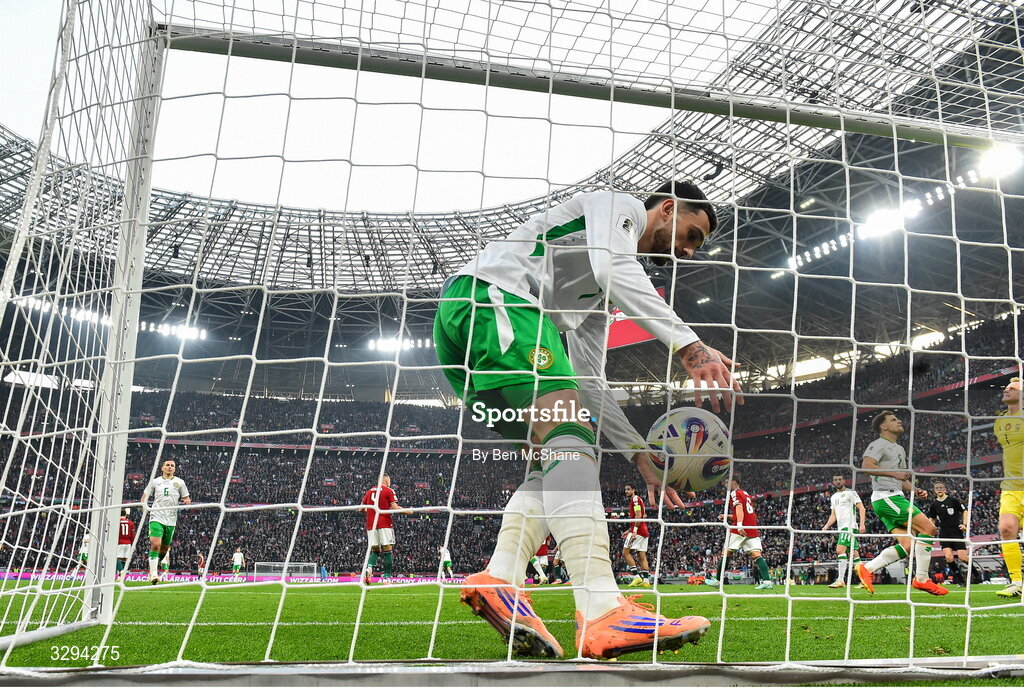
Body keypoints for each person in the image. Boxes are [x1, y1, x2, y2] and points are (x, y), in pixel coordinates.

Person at [434, 180, 739, 659]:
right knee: (572, 439)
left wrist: (637, 451)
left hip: (474, 326)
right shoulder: (617, 207)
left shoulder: (599, 294)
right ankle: (601, 608)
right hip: (498, 300)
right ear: (666, 208)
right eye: (692, 234)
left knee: (558, 455)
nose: (688, 250)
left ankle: (501, 577)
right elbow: (612, 263)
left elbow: (590, 381)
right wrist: (689, 345)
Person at [856, 411, 947, 596]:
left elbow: (899, 476)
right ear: (884, 426)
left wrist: (914, 489)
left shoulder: (898, 448)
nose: (899, 421)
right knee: (928, 529)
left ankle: (867, 569)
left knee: (907, 546)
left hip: (892, 497)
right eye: (893, 420)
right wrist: (894, 474)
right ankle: (921, 579)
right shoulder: (878, 444)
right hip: (887, 498)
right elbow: (866, 466)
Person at [707, 475, 773, 590]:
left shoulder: (734, 493)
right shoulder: (745, 493)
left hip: (740, 529)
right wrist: (727, 516)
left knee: (726, 553)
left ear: (734, 482)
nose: (725, 484)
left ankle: (717, 581)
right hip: (751, 527)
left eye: (727, 481)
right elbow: (743, 512)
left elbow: (739, 509)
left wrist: (739, 525)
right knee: (756, 555)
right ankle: (767, 581)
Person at [994, 377, 1023, 598]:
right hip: (1011, 486)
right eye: (1006, 387)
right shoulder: (1000, 420)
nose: (1007, 389)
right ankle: (1017, 582)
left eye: (1012, 388)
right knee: (1006, 528)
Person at [141, 459, 191, 586]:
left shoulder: (180, 482)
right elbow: (145, 496)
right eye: (167, 465)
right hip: (156, 516)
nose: (169, 467)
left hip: (171, 519)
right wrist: (145, 507)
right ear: (162, 468)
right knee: (155, 544)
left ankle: (153, 567)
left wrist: (186, 501)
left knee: (163, 549)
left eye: (172, 466)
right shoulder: (155, 482)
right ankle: (153, 574)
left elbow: (187, 499)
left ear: (174, 469)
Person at [360, 474, 412, 584]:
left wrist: (371, 513)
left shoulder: (369, 491)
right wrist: (409, 511)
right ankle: (387, 578)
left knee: (375, 551)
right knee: (387, 551)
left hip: (371, 525)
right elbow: (395, 508)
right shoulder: (388, 491)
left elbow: (361, 509)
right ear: (387, 481)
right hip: (384, 523)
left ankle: (369, 568)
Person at [822, 474, 866, 588]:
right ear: (833, 482)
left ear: (844, 481)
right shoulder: (833, 497)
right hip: (842, 528)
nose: (838, 481)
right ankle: (864, 580)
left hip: (849, 526)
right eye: (835, 480)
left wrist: (862, 524)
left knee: (840, 550)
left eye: (840, 479)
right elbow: (833, 515)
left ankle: (841, 580)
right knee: (854, 555)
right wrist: (826, 525)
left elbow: (861, 508)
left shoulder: (851, 493)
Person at [927, 482, 971, 587]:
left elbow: (965, 511)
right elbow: (931, 519)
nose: (939, 489)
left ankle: (975, 575)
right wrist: (929, 532)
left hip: (956, 532)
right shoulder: (934, 505)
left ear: (945, 489)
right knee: (949, 558)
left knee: (963, 557)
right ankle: (961, 580)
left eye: (941, 487)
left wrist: (965, 524)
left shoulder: (953, 500)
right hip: (944, 533)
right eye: (937, 488)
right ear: (934, 490)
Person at [622, 484, 651, 587]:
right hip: (643, 530)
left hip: (638, 531)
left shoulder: (635, 499)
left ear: (634, 490)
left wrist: (633, 531)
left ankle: (636, 577)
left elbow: (638, 515)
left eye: (628, 489)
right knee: (641, 555)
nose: (626, 491)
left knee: (625, 553)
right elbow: (641, 515)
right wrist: (629, 530)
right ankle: (646, 581)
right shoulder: (638, 499)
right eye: (625, 490)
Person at [115, 509, 135, 581]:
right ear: (125, 515)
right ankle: (121, 576)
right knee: (124, 559)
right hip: (128, 543)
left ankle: (121, 571)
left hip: (120, 542)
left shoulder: (117, 523)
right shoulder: (131, 523)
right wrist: (133, 544)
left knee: (117, 558)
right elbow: (133, 535)